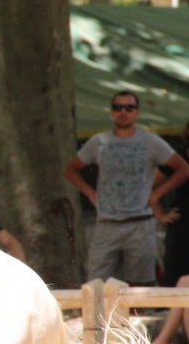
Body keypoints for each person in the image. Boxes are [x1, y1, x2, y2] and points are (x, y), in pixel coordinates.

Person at [63, 90, 189, 285]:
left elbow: (183, 168)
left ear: (137, 112)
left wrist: (156, 194)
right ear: (111, 112)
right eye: (118, 107)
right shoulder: (98, 141)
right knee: (96, 284)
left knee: (141, 287)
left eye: (129, 107)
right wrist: (90, 193)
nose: (123, 111)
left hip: (140, 224)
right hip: (106, 223)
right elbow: (70, 169)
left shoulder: (151, 141)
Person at [150, 119, 189, 344]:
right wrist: (160, 212)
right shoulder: (178, 159)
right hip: (182, 228)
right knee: (180, 280)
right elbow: (151, 189)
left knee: (185, 283)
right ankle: (164, 342)